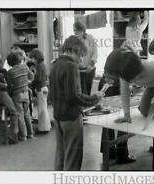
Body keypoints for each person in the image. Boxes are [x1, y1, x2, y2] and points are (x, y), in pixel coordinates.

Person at [49, 35, 102, 171]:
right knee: (73, 159)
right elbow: (73, 96)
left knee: (60, 157)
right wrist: (94, 99)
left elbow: (53, 94)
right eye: (82, 55)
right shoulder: (71, 66)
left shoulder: (55, 65)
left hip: (58, 117)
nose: (81, 60)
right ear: (75, 49)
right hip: (71, 118)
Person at [7, 51, 35, 141]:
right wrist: (27, 82)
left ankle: (23, 136)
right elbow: (32, 76)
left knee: (20, 115)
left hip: (17, 94)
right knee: (27, 114)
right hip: (26, 93)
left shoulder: (10, 72)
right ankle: (31, 134)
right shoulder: (25, 67)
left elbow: (9, 85)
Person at [0, 53, 19, 144]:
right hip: (3, 94)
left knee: (1, 116)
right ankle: (13, 136)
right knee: (14, 112)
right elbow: (9, 85)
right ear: (0, 62)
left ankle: (4, 139)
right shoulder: (3, 71)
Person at [29, 48, 51, 133]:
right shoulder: (43, 65)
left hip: (40, 89)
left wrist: (31, 83)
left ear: (36, 57)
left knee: (42, 110)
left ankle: (43, 129)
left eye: (33, 58)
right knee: (44, 109)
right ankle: (46, 126)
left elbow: (38, 79)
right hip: (44, 87)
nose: (32, 60)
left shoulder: (38, 66)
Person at [73, 21, 98, 95]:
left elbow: (95, 53)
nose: (75, 32)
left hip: (90, 68)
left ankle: (88, 105)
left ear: (82, 30)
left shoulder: (90, 38)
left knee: (88, 88)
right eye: (74, 30)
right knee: (80, 90)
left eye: (76, 30)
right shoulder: (75, 40)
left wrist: (91, 65)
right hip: (79, 69)